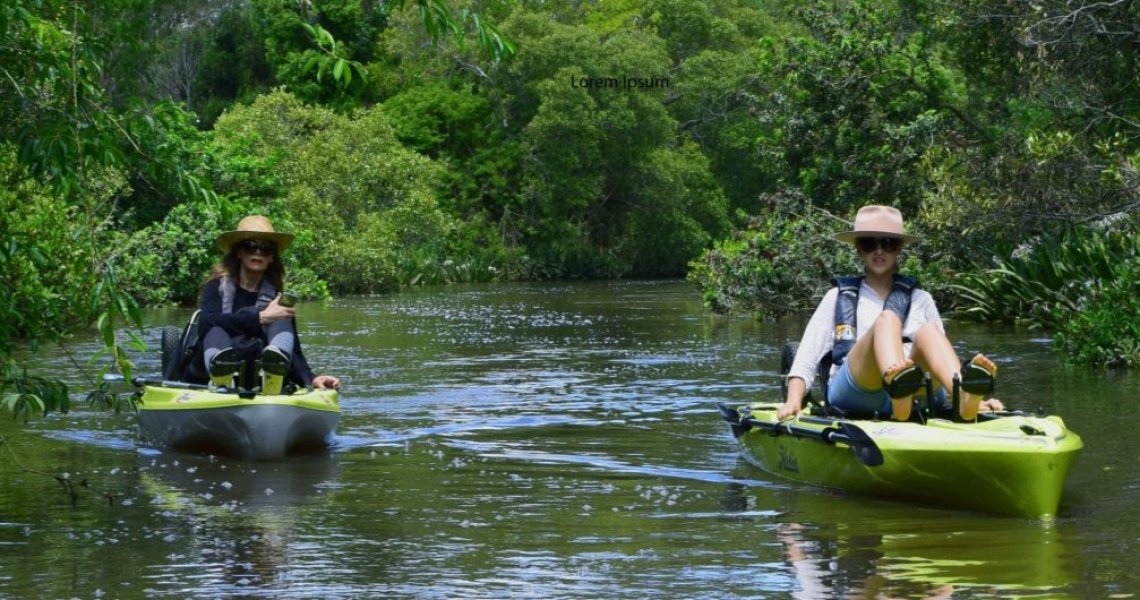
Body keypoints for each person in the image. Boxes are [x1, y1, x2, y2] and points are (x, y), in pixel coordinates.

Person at [777, 205, 1003, 422]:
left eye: (888, 243)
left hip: (918, 392)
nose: (879, 251)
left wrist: (979, 404)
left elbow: (940, 358)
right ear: (858, 248)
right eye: (869, 244)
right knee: (886, 320)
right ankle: (898, 391)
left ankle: (962, 396)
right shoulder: (837, 296)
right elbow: (806, 357)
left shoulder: (921, 298)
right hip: (859, 390)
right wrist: (793, 401)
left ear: (899, 249)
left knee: (930, 331)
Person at [194, 215, 340, 393]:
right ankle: (222, 380)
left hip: (257, 364)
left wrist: (310, 378)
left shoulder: (278, 297)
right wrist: (260, 318)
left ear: (272, 258)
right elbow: (205, 323)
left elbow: (294, 350)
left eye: (266, 249)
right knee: (215, 328)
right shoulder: (216, 286)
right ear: (239, 253)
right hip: (220, 356)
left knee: (281, 319)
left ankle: (273, 377)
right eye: (250, 247)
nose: (258, 253)